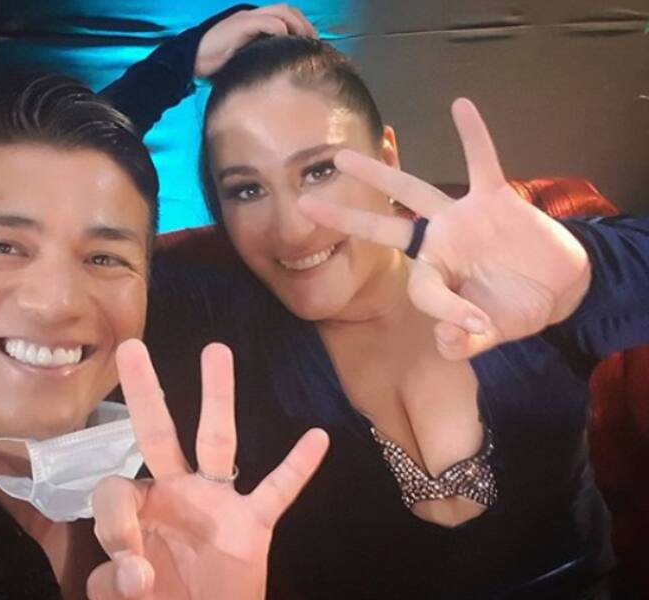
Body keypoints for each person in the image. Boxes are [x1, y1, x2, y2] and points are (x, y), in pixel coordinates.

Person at [127, 36, 649, 598]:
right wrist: (169, 67)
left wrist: (588, 275)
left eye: (319, 170)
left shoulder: (504, 271)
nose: (292, 229)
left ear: (387, 158)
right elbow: (66, 201)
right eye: (247, 189)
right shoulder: (211, 317)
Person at [0, 7, 328, 600]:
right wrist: (172, 65)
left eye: (103, 258)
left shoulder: (203, 434)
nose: (55, 303)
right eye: (2, 247)